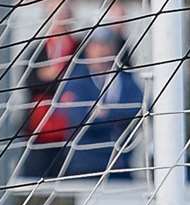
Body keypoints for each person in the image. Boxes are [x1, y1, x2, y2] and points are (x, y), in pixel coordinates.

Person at [55, 29, 143, 178]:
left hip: (120, 165)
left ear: (114, 49)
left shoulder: (127, 80)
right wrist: (115, 117)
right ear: (88, 49)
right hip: (84, 167)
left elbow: (138, 109)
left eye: (106, 45)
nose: (101, 51)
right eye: (96, 45)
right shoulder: (75, 80)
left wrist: (106, 113)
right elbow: (76, 116)